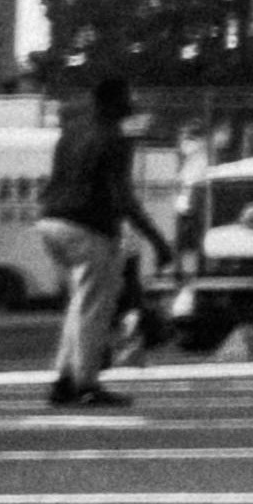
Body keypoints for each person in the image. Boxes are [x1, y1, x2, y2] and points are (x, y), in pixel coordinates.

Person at [32, 76, 179, 411]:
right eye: (127, 99)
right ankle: (86, 383)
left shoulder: (71, 131)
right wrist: (158, 241)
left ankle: (65, 378)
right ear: (114, 103)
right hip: (88, 225)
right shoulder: (115, 136)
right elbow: (123, 197)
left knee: (80, 303)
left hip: (50, 221)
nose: (131, 105)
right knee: (95, 307)